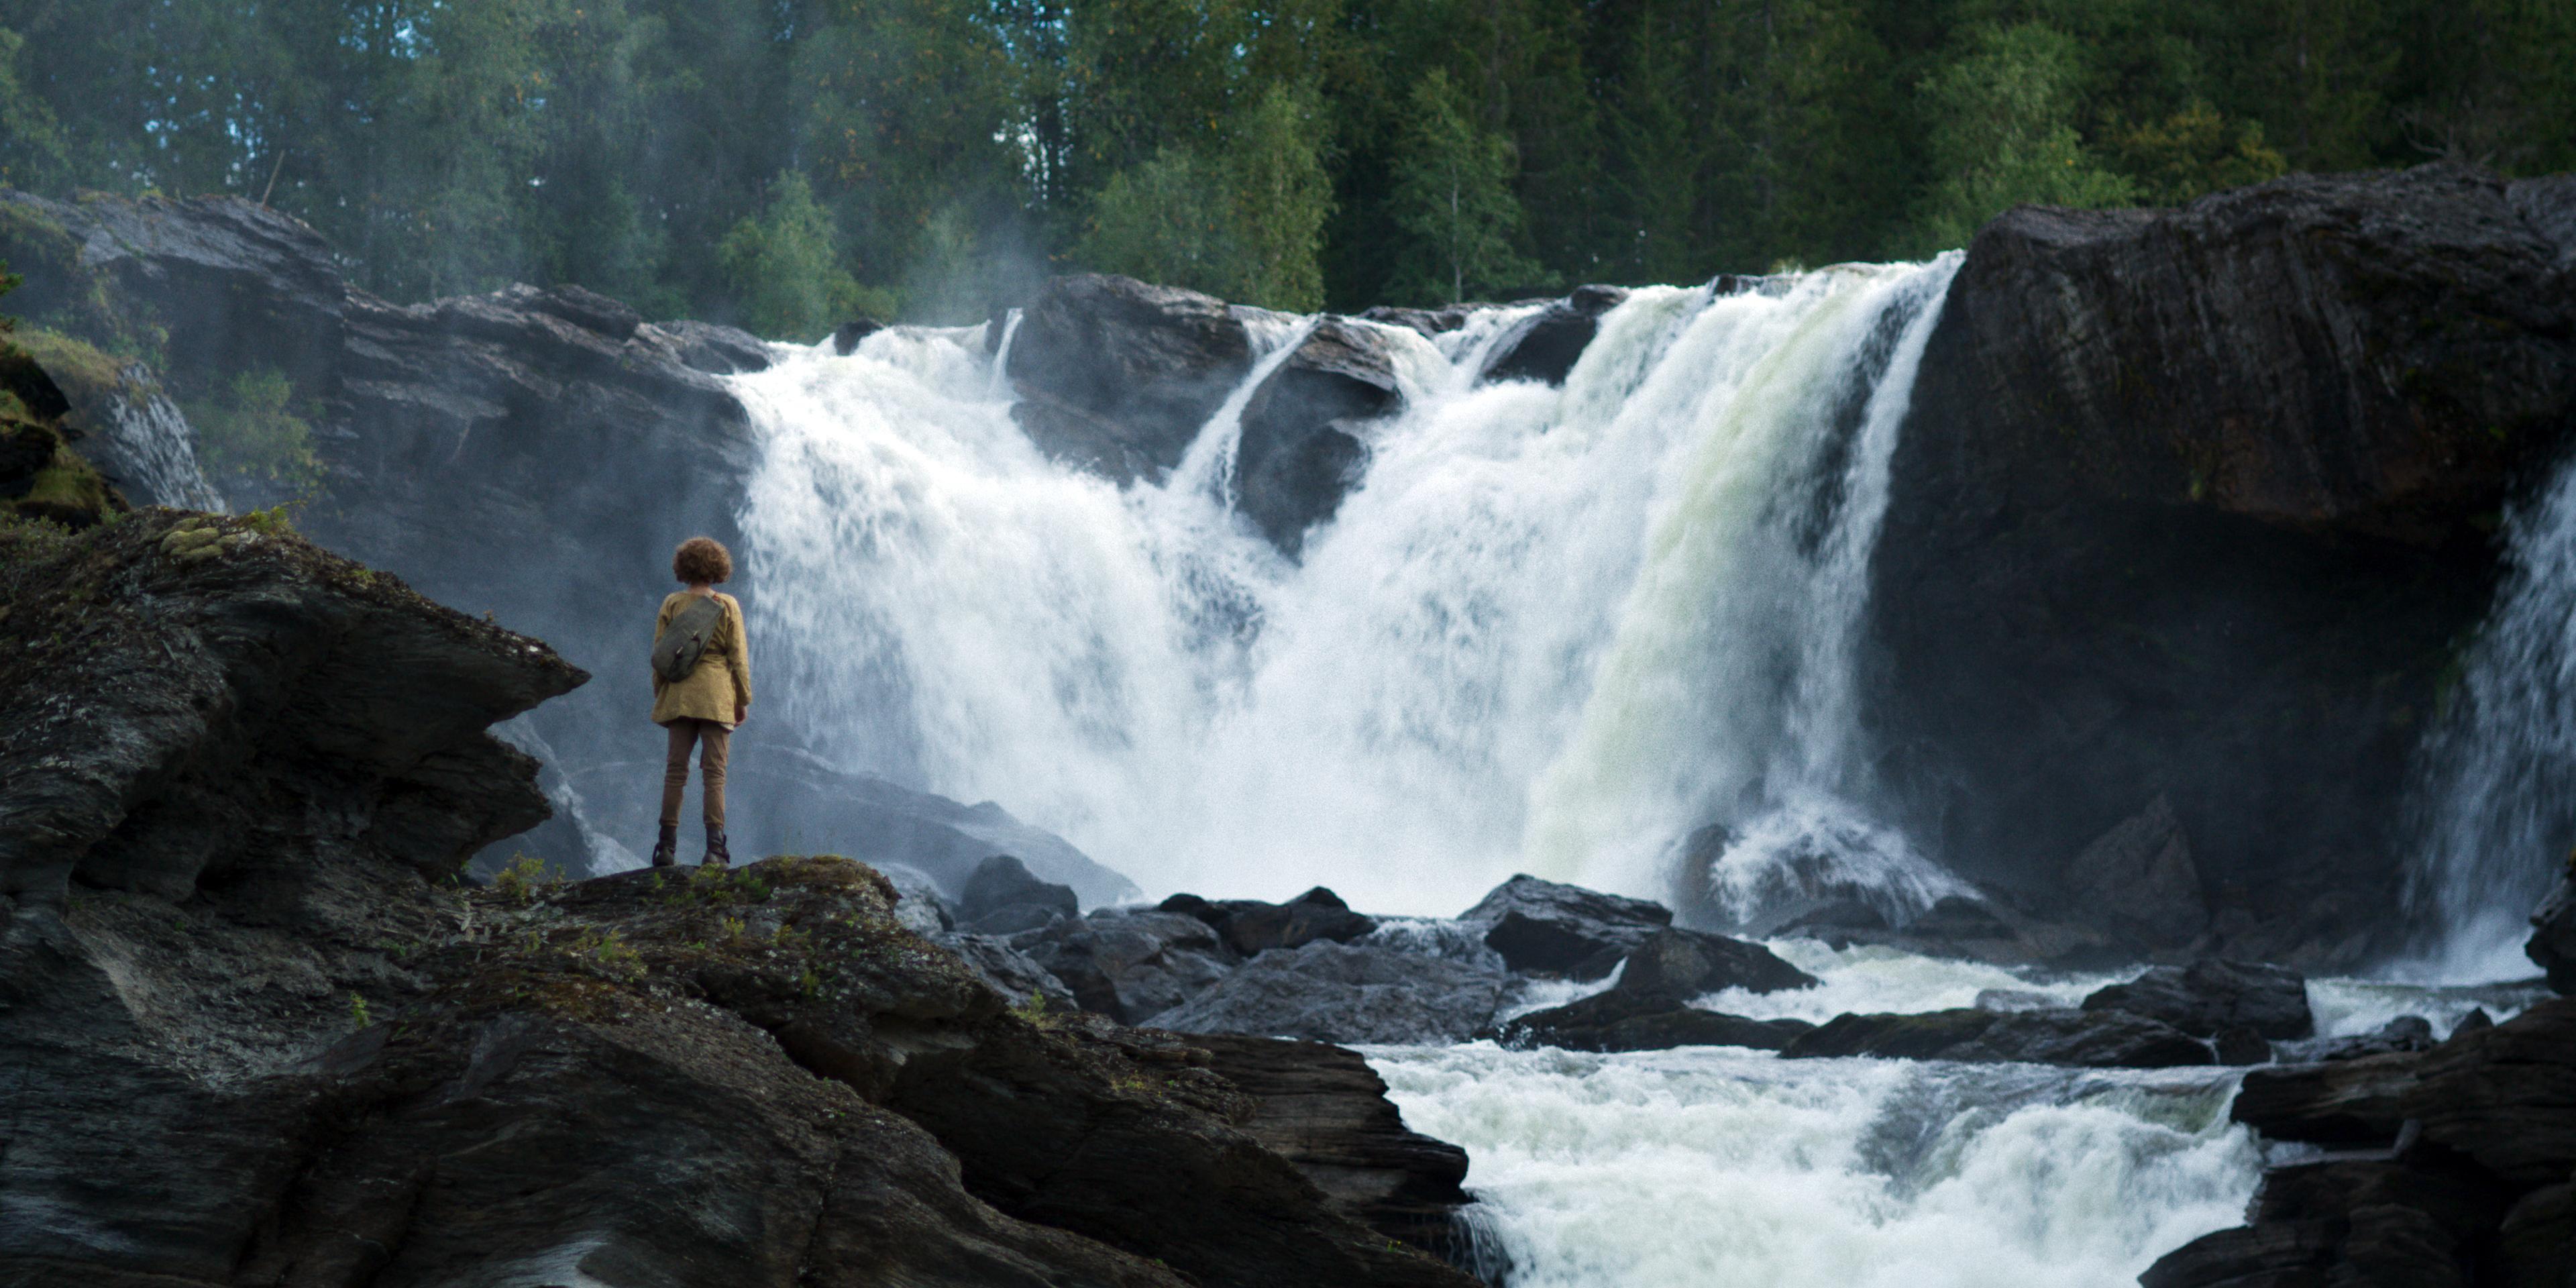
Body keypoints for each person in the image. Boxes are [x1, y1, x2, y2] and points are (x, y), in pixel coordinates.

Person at [650, 536, 751, 867]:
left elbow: (660, 657)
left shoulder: (672, 603)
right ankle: (714, 850)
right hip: (717, 696)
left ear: (683, 566)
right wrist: (743, 699)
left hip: (679, 695)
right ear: (719, 567)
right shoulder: (727, 605)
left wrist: (662, 693)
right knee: (715, 775)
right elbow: (738, 658)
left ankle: (665, 848)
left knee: (675, 772)